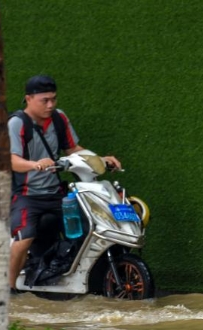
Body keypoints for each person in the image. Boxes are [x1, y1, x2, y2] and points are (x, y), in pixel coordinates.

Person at [8, 75, 121, 291]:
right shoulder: (17, 123)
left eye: (54, 99)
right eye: (45, 100)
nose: (50, 105)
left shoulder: (59, 119)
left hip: (56, 193)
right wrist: (34, 165)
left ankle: (68, 275)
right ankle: (9, 289)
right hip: (25, 196)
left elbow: (73, 149)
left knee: (89, 225)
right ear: (29, 99)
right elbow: (12, 160)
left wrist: (101, 159)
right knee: (24, 237)